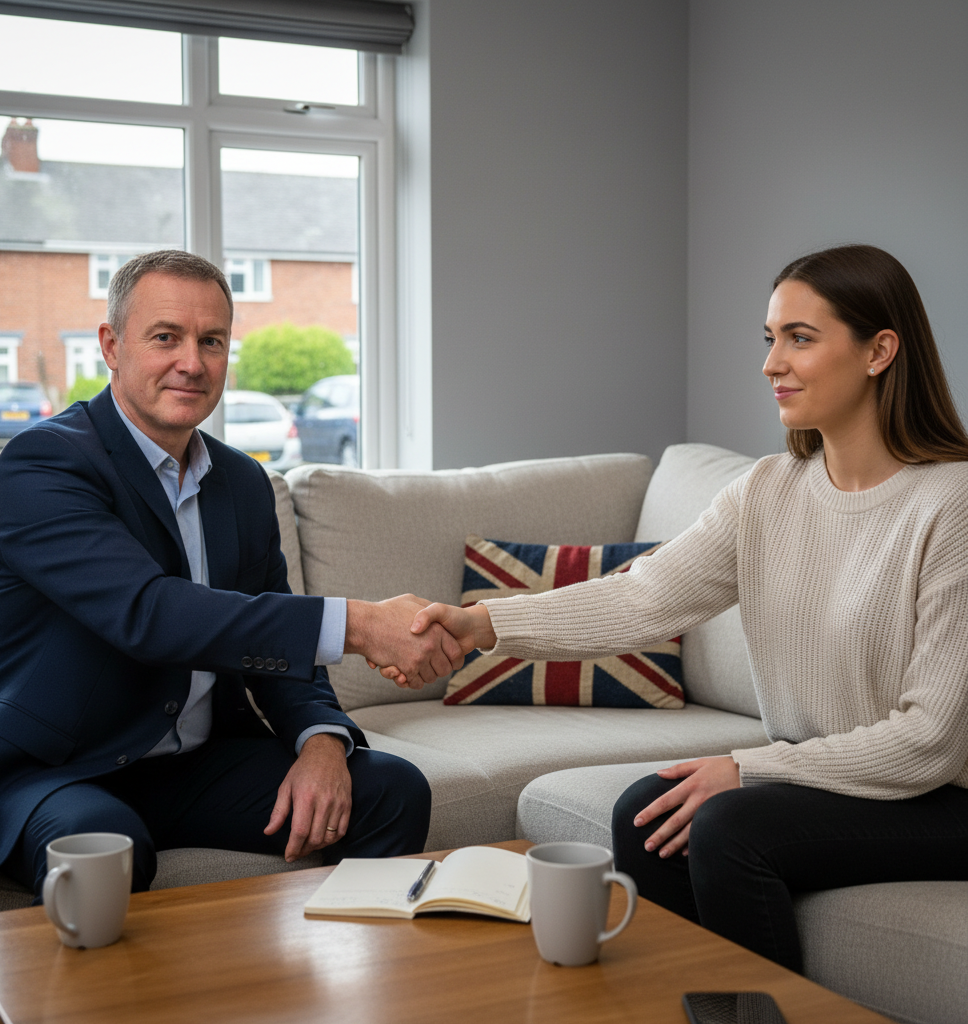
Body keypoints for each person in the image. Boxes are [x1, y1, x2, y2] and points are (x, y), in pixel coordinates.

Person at [378, 245, 968, 973]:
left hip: (935, 796)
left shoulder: (951, 504)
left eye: (800, 338)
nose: (771, 363)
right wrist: (484, 624)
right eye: (769, 338)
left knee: (724, 827)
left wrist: (747, 769)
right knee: (645, 812)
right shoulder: (769, 490)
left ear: (880, 350)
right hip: (821, 777)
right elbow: (644, 596)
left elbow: (931, 740)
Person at [0, 250, 464, 901]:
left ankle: (341, 987)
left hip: (195, 765)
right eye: (166, 337)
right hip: (57, 769)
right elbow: (150, 614)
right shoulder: (44, 464)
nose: (192, 361)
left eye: (211, 341)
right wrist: (360, 624)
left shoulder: (243, 482)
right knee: (105, 844)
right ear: (111, 344)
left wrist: (323, 740)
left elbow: (271, 639)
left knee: (391, 788)